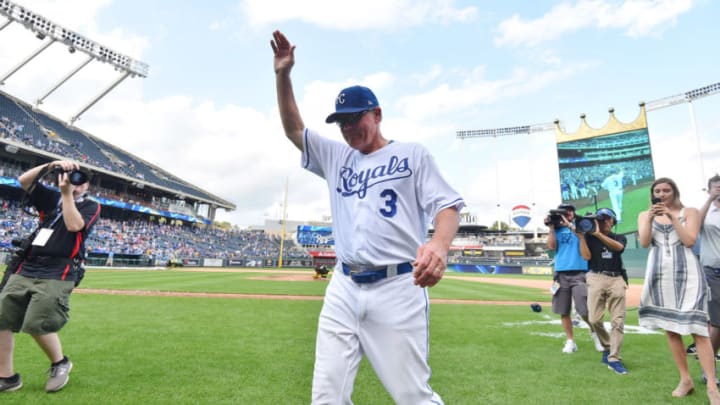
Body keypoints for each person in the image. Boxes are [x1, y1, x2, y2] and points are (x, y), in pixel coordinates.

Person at [271, 30, 464, 404]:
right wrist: (283, 75)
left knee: (412, 396)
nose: (346, 128)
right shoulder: (337, 157)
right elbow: (295, 129)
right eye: (340, 122)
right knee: (326, 396)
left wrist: (439, 244)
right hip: (343, 286)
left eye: (353, 118)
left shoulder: (412, 154)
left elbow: (447, 206)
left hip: (397, 287)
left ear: (377, 114)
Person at [0, 160, 100, 393]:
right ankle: (7, 377)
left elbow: (74, 225)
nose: (75, 182)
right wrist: (51, 165)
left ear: (86, 186)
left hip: (59, 270)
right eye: (70, 176)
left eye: (80, 179)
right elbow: (24, 180)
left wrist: (67, 194)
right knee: (1, 318)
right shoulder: (51, 197)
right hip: (28, 265)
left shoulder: (91, 206)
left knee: (38, 322)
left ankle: (60, 363)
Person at [638, 177, 720, 403]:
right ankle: (686, 379)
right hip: (659, 274)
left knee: (699, 329)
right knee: (671, 330)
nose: (662, 194)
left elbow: (690, 240)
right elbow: (645, 242)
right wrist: (652, 217)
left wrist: (673, 217)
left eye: (666, 190)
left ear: (675, 191)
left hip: (688, 274)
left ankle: (712, 386)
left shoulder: (690, 212)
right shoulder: (645, 215)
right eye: (658, 190)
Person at [545, 203, 601, 353]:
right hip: (561, 272)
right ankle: (570, 341)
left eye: (569, 211)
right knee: (564, 310)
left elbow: (586, 236)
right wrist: (551, 228)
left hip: (580, 272)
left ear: (574, 213)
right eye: (564, 211)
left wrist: (570, 225)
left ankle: (595, 333)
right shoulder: (556, 228)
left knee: (584, 310)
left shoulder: (581, 225)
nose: (567, 213)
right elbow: (551, 247)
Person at [581, 208, 629, 374]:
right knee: (594, 319)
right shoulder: (589, 237)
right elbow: (586, 257)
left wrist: (599, 234)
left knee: (618, 320)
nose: (603, 222)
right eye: (600, 219)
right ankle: (608, 347)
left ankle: (614, 358)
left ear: (613, 221)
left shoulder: (619, 237)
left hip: (616, 278)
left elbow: (618, 248)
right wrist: (581, 235)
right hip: (596, 276)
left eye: (606, 219)